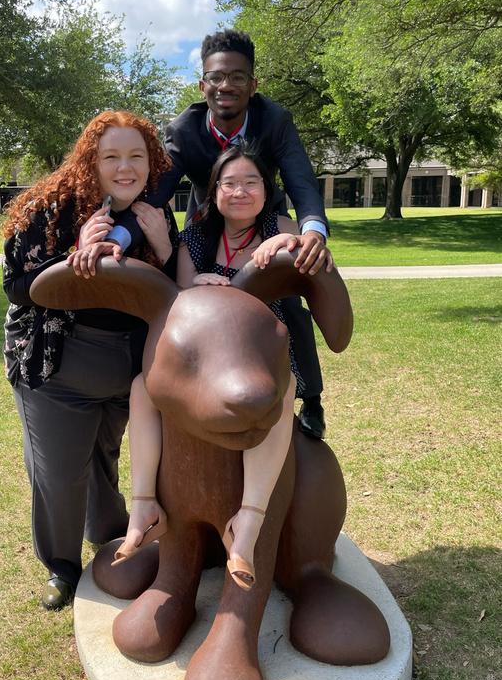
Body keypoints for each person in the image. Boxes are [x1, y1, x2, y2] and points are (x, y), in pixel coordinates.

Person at [77, 29, 333, 439]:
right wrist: (118, 239)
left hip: (265, 220)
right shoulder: (184, 129)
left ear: (253, 85)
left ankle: (311, 397)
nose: (225, 85)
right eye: (216, 77)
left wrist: (313, 231)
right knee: (192, 299)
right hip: (207, 222)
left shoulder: (276, 120)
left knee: (288, 302)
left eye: (237, 77)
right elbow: (153, 196)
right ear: (202, 85)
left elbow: (301, 181)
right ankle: (193, 382)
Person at [2, 111, 177, 610]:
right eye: (111, 157)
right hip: (57, 363)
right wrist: (73, 254)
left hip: (126, 364)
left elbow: (171, 289)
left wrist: (164, 245)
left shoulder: (154, 212)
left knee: (105, 457)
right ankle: (61, 565)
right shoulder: (48, 208)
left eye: (137, 156)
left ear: (152, 161)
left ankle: (108, 532)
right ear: (90, 160)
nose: (126, 168)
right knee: (60, 473)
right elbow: (17, 286)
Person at [113, 144, 305, 590]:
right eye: (229, 183)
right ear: (214, 192)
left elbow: (309, 265)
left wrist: (289, 243)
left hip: (260, 353)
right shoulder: (197, 236)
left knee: (284, 391)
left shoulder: (281, 228)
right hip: (207, 358)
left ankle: (249, 521)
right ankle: (144, 505)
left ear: (267, 190)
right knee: (143, 386)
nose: (240, 192)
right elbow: (180, 299)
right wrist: (197, 283)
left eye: (251, 182)